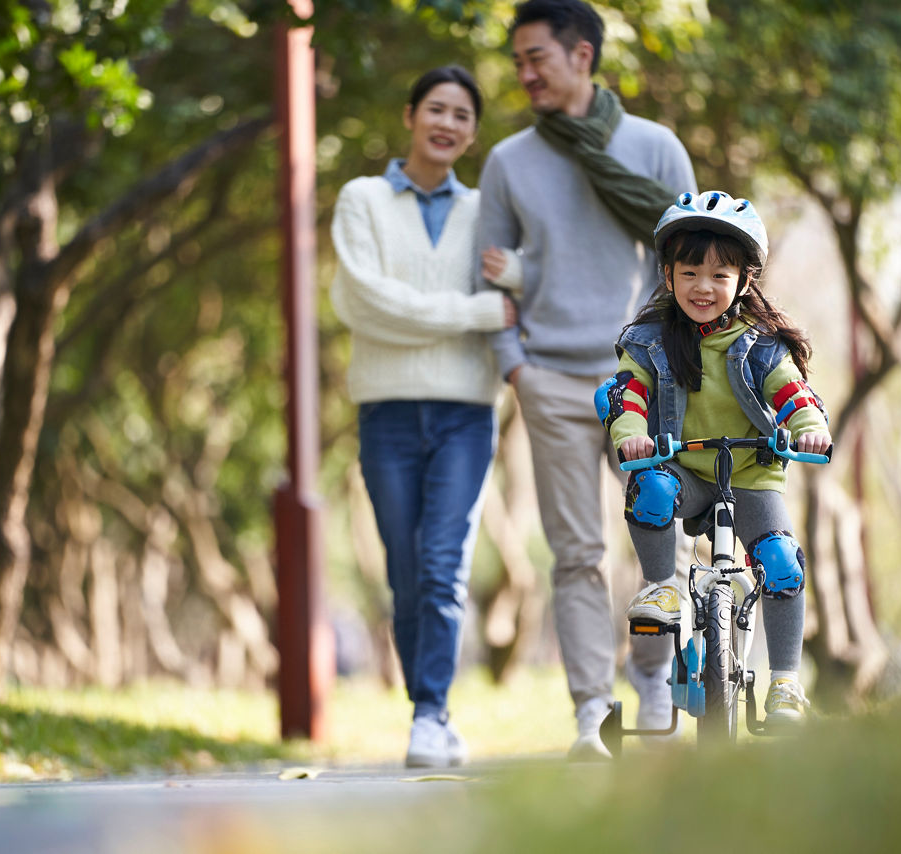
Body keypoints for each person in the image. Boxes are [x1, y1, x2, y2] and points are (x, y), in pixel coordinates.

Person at [475, 0, 697, 759]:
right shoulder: (508, 162)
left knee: (656, 540)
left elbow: (689, 270)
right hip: (551, 383)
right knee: (576, 556)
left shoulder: (656, 148)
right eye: (518, 63)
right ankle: (591, 714)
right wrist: (516, 368)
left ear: (582, 56)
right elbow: (491, 279)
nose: (525, 74)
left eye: (535, 57)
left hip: (642, 380)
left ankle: (656, 682)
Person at [330, 66, 519, 768]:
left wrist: (514, 285)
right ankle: (428, 708)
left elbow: (525, 277)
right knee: (406, 571)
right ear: (410, 115)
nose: (447, 124)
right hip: (385, 415)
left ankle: (429, 713)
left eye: (462, 116)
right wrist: (472, 313)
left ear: (472, 131)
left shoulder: (486, 211)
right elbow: (363, 302)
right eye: (436, 109)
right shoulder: (362, 199)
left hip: (468, 414)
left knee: (443, 565)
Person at [600, 189, 833, 725]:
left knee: (780, 562)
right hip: (682, 469)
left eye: (720, 275)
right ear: (667, 275)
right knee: (650, 489)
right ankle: (661, 589)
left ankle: (785, 684)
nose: (703, 287)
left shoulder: (761, 345)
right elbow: (626, 395)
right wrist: (632, 433)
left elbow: (794, 395)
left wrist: (810, 428)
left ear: (744, 280)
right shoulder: (651, 339)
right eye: (690, 273)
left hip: (750, 475)